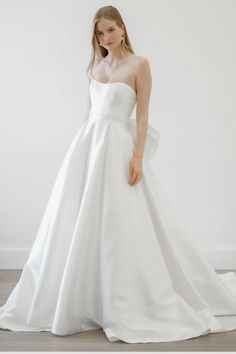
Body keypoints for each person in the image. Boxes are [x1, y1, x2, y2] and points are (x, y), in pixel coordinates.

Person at [0, 5, 236, 345]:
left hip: (118, 150)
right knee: (78, 221)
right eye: (99, 33)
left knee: (121, 221)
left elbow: (142, 116)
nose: (105, 38)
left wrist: (138, 155)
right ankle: (83, 295)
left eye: (110, 30)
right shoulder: (95, 66)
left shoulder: (140, 65)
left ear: (122, 29)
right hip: (88, 149)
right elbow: (89, 115)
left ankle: (127, 296)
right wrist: (75, 159)